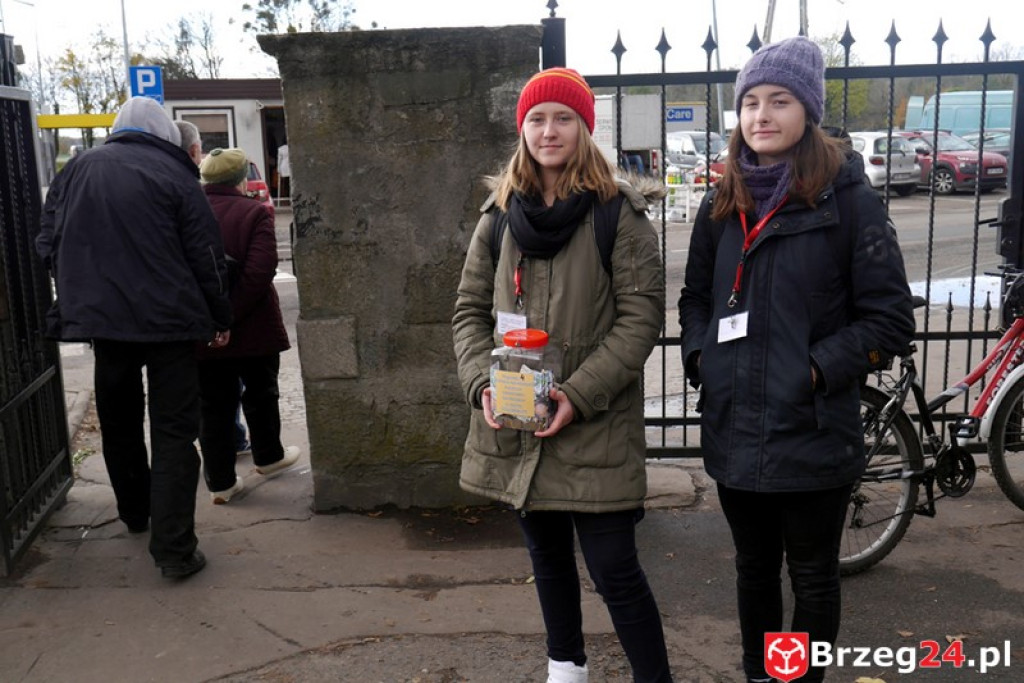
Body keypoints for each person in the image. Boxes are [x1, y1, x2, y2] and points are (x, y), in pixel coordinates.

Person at [677, 37, 916, 683]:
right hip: (735, 426)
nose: (760, 115)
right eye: (750, 102)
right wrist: (704, 359)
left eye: (778, 101)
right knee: (752, 570)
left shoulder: (849, 202)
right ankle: (762, 675)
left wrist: (811, 370)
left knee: (812, 576)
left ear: (806, 110)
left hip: (811, 434)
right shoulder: (721, 201)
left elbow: (889, 319)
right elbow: (696, 296)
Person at [453, 67, 673, 683]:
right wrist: (481, 385)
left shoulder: (617, 215)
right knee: (545, 559)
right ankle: (565, 668)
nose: (549, 131)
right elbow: (469, 311)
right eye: (537, 119)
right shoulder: (498, 215)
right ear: (522, 130)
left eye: (563, 118)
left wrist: (576, 395)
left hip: (592, 425)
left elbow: (640, 320)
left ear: (585, 128)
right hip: (516, 420)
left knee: (615, 571)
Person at [36, 96, 232, 579]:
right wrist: (219, 315)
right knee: (173, 432)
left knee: (120, 422)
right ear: (163, 133)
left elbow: (47, 241)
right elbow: (207, 256)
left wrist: (83, 285)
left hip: (105, 325)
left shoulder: (78, 169)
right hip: (170, 326)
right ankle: (174, 550)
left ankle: (135, 513)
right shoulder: (176, 177)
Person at [196, 147, 298, 505]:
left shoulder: (188, 213)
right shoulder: (255, 212)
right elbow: (259, 272)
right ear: (240, 179)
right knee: (261, 393)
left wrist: (215, 319)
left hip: (206, 330)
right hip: (253, 325)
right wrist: (232, 314)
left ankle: (221, 481)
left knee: (213, 406)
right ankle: (268, 456)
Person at [175, 121, 251, 455]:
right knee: (234, 389)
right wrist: (226, 316)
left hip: (183, 314)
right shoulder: (191, 198)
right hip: (216, 315)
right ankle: (237, 444)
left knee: (207, 393)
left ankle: (216, 464)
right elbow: (217, 265)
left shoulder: (181, 198)